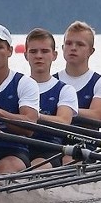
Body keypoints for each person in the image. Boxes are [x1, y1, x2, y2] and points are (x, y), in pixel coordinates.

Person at [0, 23, 40, 174]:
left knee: (4, 169)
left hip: (13, 150)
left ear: (9, 51)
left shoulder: (25, 83)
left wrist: (0, 114)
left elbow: (30, 127)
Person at [24, 27, 78, 168]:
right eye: (33, 51)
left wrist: (34, 116)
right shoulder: (18, 86)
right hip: (18, 148)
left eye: (45, 51)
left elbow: (63, 122)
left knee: (35, 166)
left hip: (49, 150)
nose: (39, 56)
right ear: (26, 55)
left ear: (54, 55)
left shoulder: (65, 90)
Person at [55, 20, 101, 121]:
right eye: (68, 43)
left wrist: (64, 111)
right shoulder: (51, 81)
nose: (73, 48)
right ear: (62, 48)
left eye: (80, 44)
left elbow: (97, 115)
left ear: (91, 51)